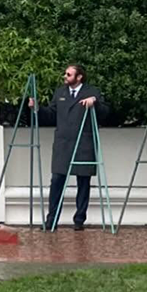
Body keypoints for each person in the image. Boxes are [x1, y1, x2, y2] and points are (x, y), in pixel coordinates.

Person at [40, 64, 102, 231]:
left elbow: (106, 112)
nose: (65, 77)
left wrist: (94, 102)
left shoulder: (92, 92)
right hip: (63, 143)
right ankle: (51, 220)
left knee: (83, 181)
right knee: (57, 180)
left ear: (79, 77)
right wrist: (36, 109)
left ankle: (79, 220)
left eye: (69, 74)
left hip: (83, 143)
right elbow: (51, 114)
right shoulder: (60, 92)